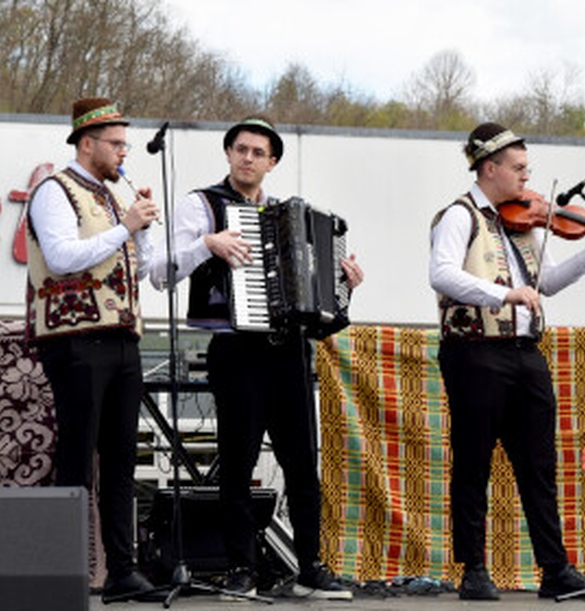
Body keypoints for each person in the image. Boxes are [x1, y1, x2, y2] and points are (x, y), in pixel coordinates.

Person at [148, 115, 364, 601]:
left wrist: (343, 286)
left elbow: (315, 303)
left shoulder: (288, 216)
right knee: (238, 462)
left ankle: (310, 568)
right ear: (228, 153)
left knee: (302, 464)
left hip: (288, 352)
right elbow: (160, 273)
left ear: (272, 162)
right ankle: (240, 568)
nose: (248, 158)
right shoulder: (202, 205)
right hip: (236, 349)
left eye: (258, 153)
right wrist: (207, 244)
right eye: (240, 149)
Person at [429, 122, 585, 601]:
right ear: (489, 168)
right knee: (473, 461)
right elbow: (442, 274)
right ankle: (473, 569)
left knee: (538, 464)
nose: (526, 177)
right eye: (517, 168)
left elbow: (546, 282)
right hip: (474, 351)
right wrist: (504, 293)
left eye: (526, 169)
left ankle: (554, 568)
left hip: (525, 352)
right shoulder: (458, 215)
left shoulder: (525, 223)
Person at [25, 97, 160, 601]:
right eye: (116, 143)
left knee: (122, 460)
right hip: (75, 338)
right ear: (87, 143)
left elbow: (138, 270)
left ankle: (121, 571)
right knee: (78, 457)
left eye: (125, 144)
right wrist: (126, 225)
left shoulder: (111, 198)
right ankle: (60, 572)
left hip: (121, 339)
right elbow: (61, 258)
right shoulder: (54, 191)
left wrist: (141, 230)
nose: (123, 152)